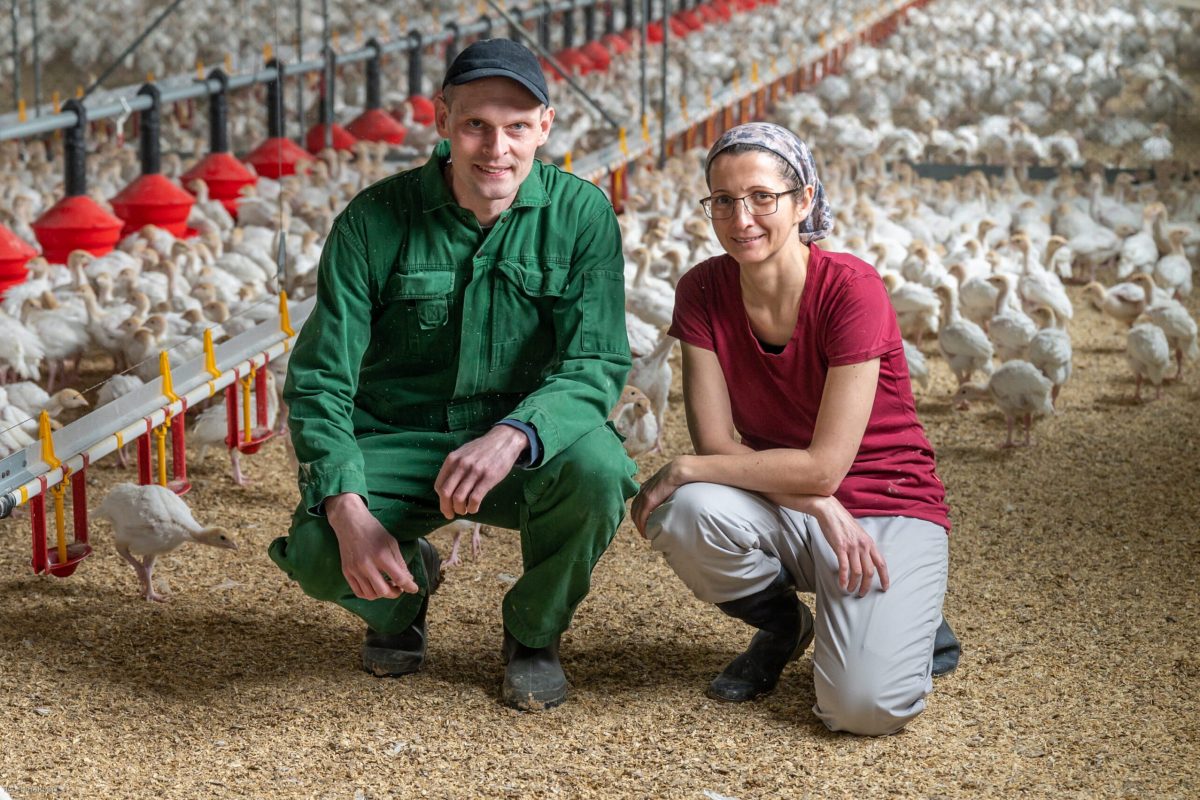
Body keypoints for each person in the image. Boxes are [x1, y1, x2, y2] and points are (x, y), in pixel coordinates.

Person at [269, 38, 638, 711]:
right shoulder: (372, 222)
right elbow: (321, 378)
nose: (497, 148)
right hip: (398, 439)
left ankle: (533, 632)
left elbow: (598, 361)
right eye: (476, 125)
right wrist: (344, 503)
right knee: (321, 547)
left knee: (602, 471)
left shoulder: (581, 215)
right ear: (442, 120)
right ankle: (402, 600)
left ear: (545, 127)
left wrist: (518, 432)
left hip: (521, 446)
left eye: (517, 128)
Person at [631, 122, 959, 736]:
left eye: (762, 197)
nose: (741, 217)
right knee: (688, 512)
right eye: (723, 201)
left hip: (888, 505)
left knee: (860, 710)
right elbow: (719, 447)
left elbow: (824, 466)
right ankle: (785, 624)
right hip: (793, 504)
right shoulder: (701, 289)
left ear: (803, 200)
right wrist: (822, 508)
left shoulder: (852, 289)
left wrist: (681, 468)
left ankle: (904, 615)